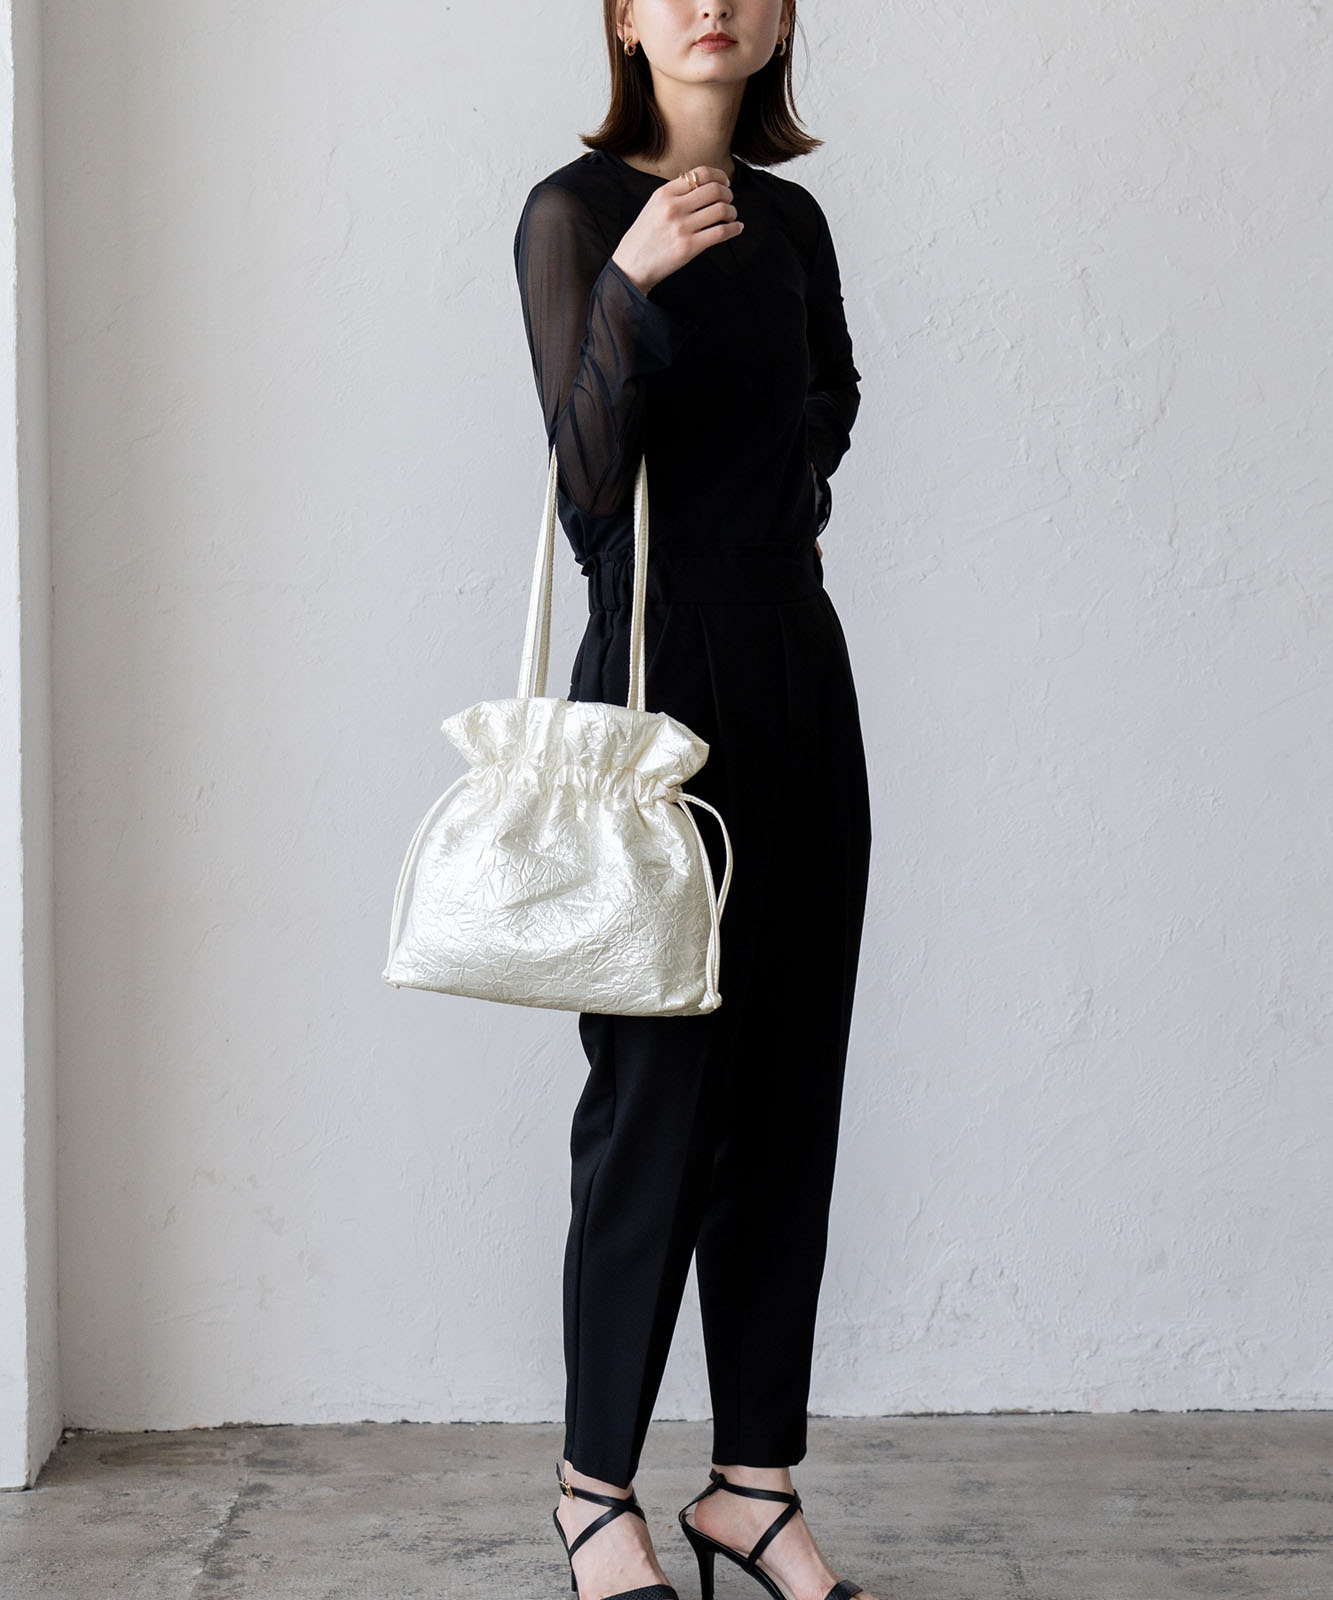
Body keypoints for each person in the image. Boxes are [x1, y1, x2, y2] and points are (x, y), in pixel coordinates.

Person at [512, 6, 875, 1599]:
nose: (708, 0)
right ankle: (594, 1491)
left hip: (796, 659)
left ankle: (751, 1486)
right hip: (657, 680)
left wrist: (777, 489)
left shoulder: (793, 219)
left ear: (782, 17)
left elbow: (832, 399)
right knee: (654, 1098)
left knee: (789, 1089)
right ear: (621, 19)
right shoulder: (575, 212)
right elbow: (586, 495)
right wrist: (631, 283)